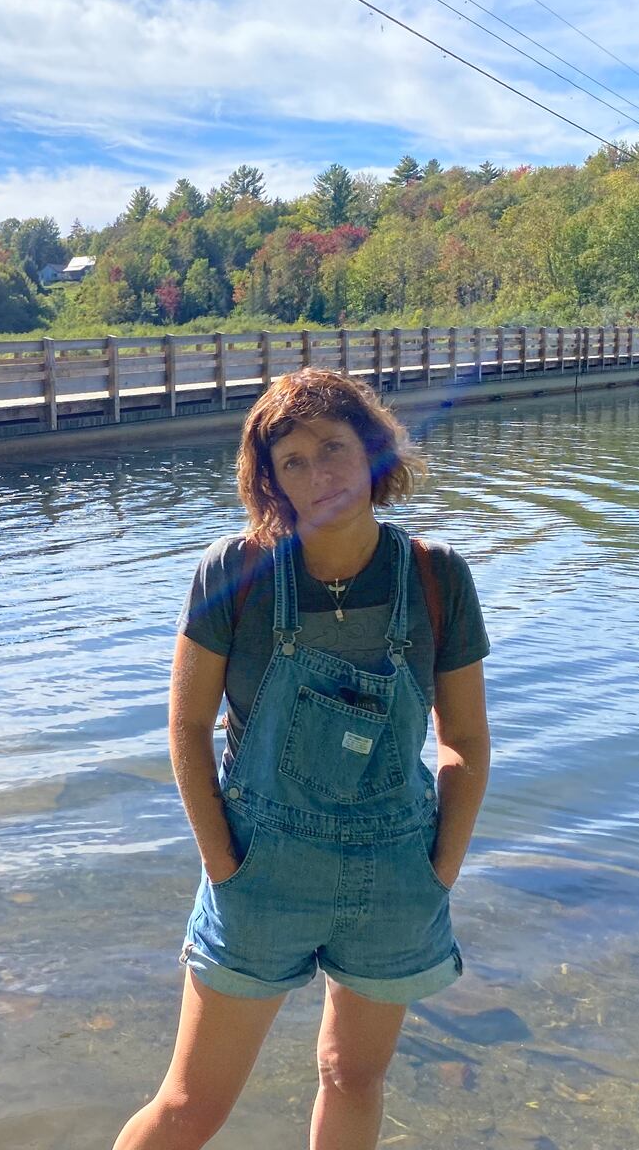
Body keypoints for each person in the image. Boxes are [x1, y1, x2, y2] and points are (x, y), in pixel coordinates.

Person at [114, 368, 492, 1150]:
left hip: (394, 874)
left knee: (352, 1078)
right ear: (271, 482)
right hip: (261, 876)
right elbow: (186, 729)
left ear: (373, 452)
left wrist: (437, 872)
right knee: (190, 1106)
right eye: (292, 461)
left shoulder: (435, 576)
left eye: (333, 448)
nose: (318, 474)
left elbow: (466, 741)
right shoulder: (235, 571)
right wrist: (225, 868)